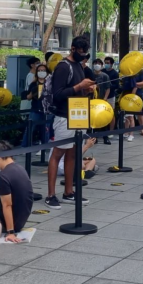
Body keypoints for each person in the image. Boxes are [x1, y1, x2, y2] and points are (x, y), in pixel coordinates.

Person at [44, 36, 95, 209]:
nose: (83, 56)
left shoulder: (79, 66)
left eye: (85, 53)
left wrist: (87, 89)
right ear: (73, 49)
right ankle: (51, 194)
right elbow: (57, 94)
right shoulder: (63, 67)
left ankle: (68, 191)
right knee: (58, 153)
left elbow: (77, 91)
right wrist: (80, 86)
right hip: (64, 116)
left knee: (72, 154)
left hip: (77, 116)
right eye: (81, 52)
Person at [27, 63, 50, 146]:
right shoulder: (33, 84)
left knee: (45, 129)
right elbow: (28, 97)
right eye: (39, 70)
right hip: (35, 109)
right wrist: (34, 91)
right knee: (30, 128)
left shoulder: (50, 83)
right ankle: (26, 145)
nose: (41, 72)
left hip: (46, 110)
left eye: (43, 70)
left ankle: (44, 145)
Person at [91, 59, 112, 143]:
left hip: (101, 100)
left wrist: (105, 98)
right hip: (92, 101)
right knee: (93, 119)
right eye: (95, 63)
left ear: (101, 65)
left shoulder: (105, 76)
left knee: (104, 119)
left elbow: (108, 88)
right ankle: (93, 138)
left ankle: (105, 137)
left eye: (99, 63)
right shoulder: (90, 75)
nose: (97, 65)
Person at [104, 56, 120, 139]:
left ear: (111, 64)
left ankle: (111, 130)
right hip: (102, 96)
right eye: (105, 62)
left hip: (111, 96)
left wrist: (108, 86)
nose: (106, 64)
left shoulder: (115, 73)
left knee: (111, 113)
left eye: (108, 63)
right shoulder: (102, 71)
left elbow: (116, 85)